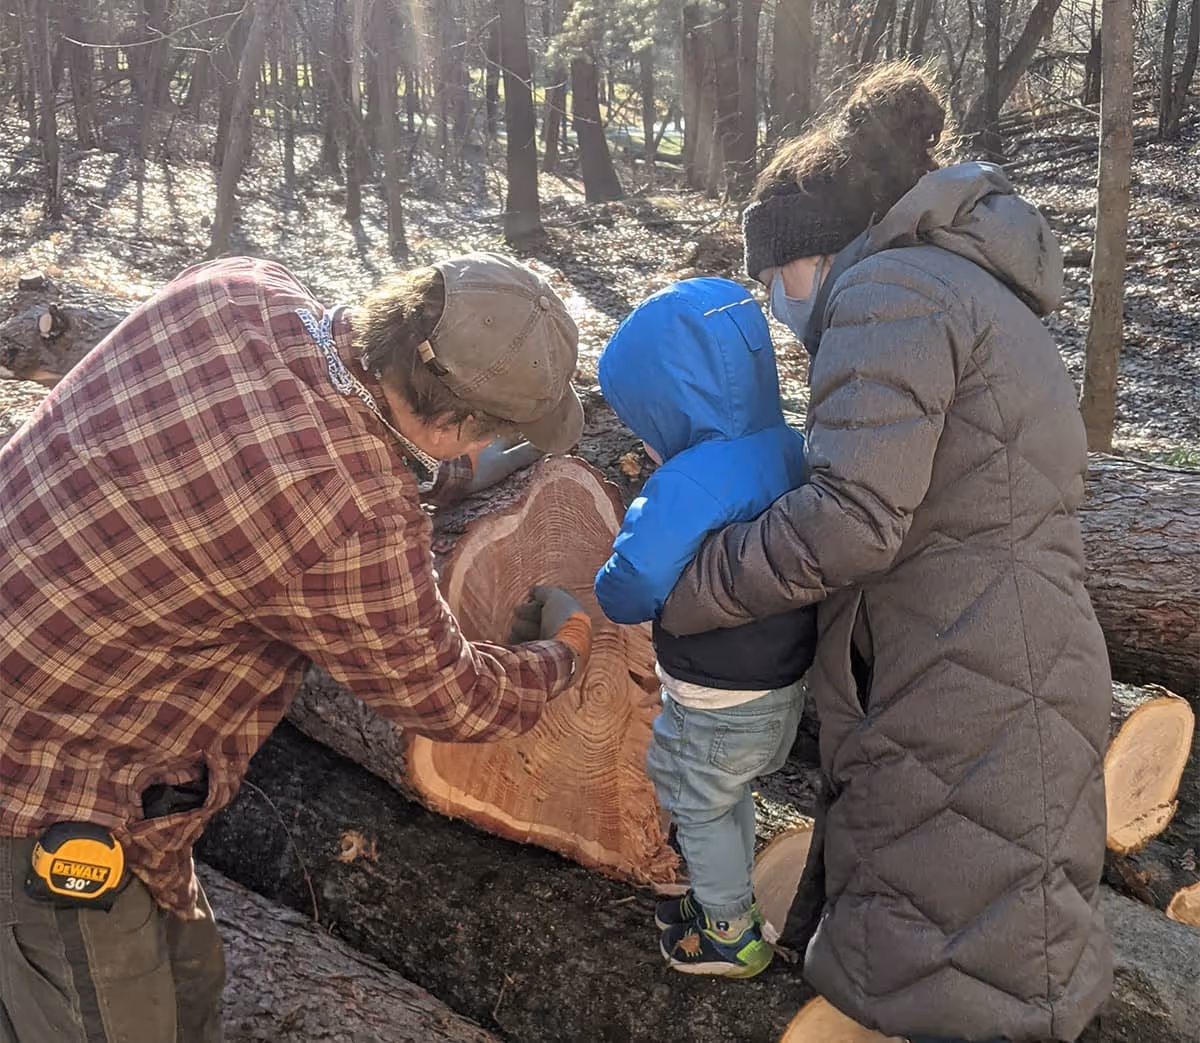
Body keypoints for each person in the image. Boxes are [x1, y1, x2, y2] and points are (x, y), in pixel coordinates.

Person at [0, 252, 593, 1043]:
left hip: (70, 686)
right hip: (42, 779)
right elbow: (448, 695)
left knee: (191, 984)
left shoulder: (241, 288)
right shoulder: (353, 516)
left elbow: (276, 456)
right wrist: (566, 650)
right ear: (452, 426)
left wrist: (439, 474)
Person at [659, 65, 1113, 1042]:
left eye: (770, 276)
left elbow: (853, 517)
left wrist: (693, 582)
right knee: (999, 947)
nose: (772, 302)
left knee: (959, 976)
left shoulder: (888, 294)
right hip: (1006, 660)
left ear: (808, 254)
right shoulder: (966, 285)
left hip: (960, 683)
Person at [593, 277, 815, 978]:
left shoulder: (692, 479)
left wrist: (607, 585)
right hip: (780, 683)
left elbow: (635, 580)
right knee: (724, 793)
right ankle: (731, 894)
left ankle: (728, 933)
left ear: (672, 406)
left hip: (717, 694)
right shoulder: (788, 443)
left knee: (694, 794)